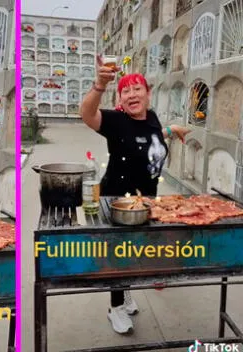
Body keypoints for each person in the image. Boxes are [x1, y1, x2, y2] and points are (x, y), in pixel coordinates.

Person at [79, 56, 190, 335]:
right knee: (118, 256)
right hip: (117, 200)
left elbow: (150, 135)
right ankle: (115, 308)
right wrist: (100, 85)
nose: (132, 94)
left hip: (146, 201)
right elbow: (87, 115)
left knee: (135, 252)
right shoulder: (116, 121)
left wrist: (170, 131)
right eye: (126, 91)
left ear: (148, 93)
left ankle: (125, 294)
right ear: (121, 98)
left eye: (137, 89)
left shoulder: (151, 117)